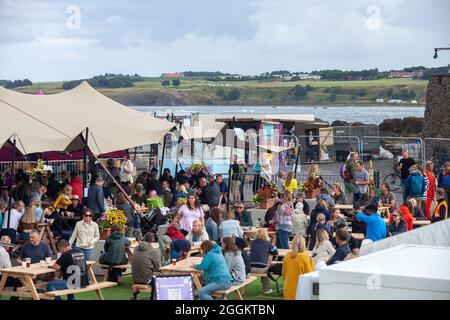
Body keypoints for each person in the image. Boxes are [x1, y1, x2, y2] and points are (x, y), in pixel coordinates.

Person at [282, 235, 314, 300]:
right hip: (300, 290)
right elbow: (310, 274)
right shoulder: (305, 257)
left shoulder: (287, 255)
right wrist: (312, 262)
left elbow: (284, 273)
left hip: (288, 288)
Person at [249, 228, 278, 294]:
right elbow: (275, 252)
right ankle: (266, 289)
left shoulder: (252, 243)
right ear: (266, 235)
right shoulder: (268, 243)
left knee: (264, 262)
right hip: (263, 267)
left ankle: (242, 290)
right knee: (267, 265)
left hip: (251, 267)